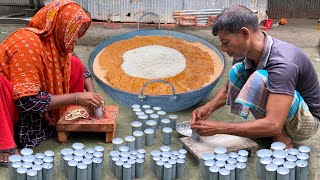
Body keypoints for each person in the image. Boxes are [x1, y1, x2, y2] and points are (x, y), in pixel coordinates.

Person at [191, 5, 320, 148]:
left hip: (306, 123)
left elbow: (275, 124)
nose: (223, 49)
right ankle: (269, 129)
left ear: (245, 34)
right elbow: (230, 87)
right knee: (238, 70)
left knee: (260, 78)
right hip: (283, 110)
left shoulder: (283, 63)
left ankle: (282, 139)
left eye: (225, 42)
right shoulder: (244, 52)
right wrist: (208, 108)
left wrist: (219, 128)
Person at [0, 0, 104, 165]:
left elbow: (79, 67)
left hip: (32, 98)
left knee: (72, 62)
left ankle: (63, 114)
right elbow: (27, 101)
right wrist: (76, 98)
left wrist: (92, 94)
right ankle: (4, 146)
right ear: (61, 25)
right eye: (74, 32)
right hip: (8, 106)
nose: (76, 38)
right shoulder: (27, 44)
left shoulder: (55, 42)